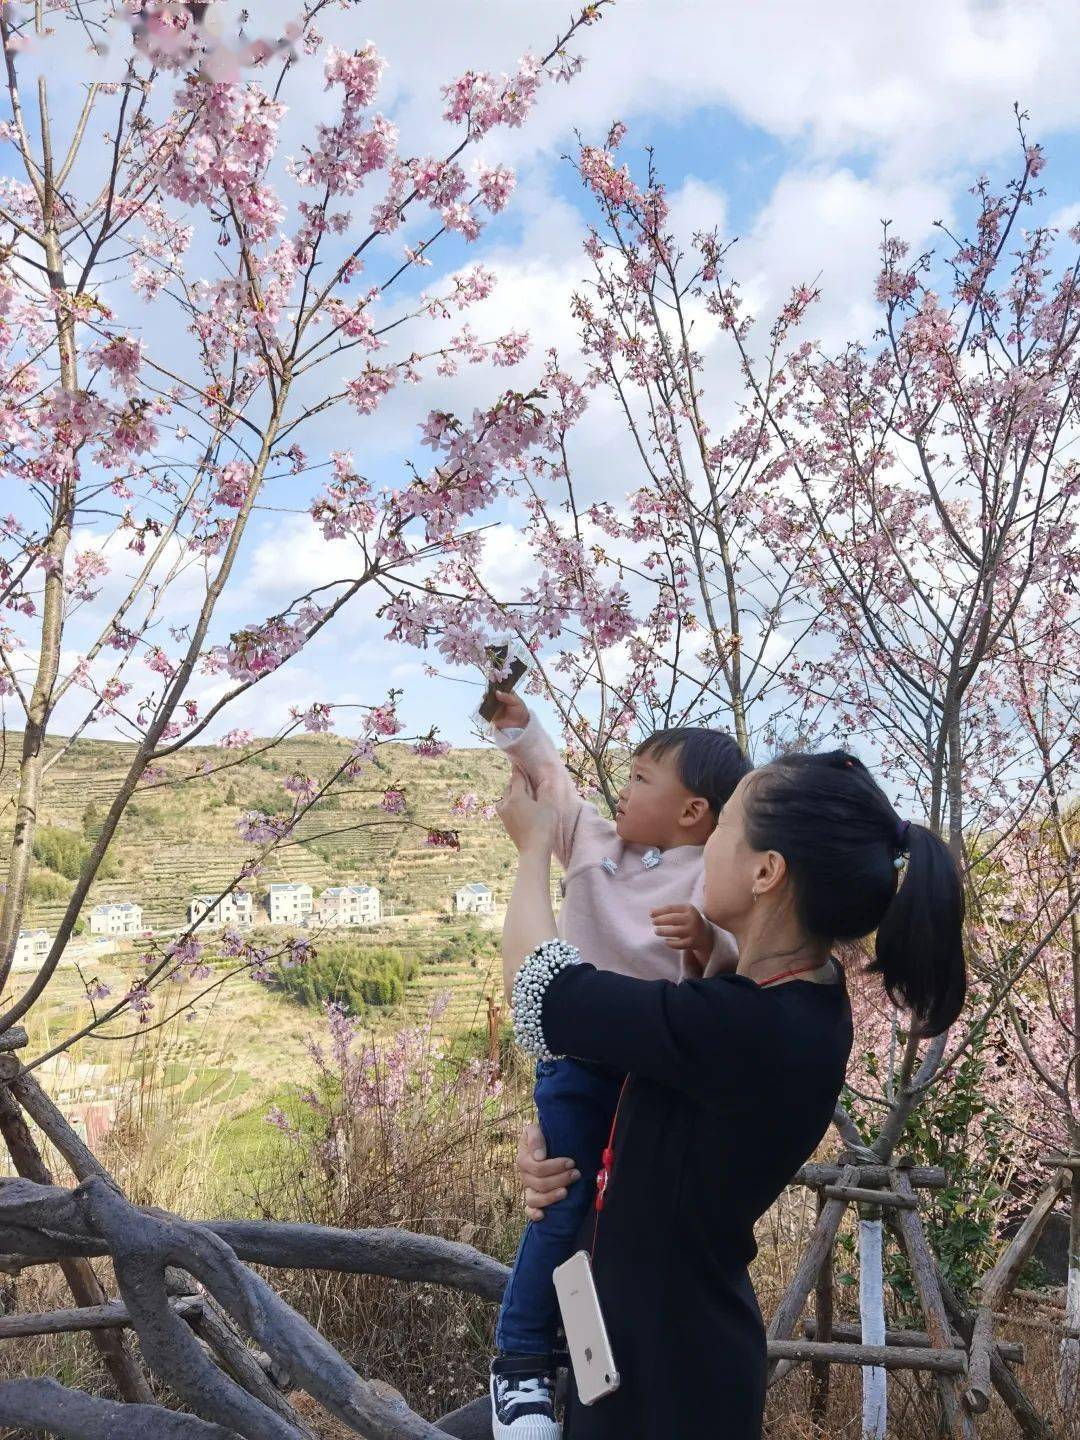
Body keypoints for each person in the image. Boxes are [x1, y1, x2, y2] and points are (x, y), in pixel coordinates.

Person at [497, 749, 967, 1440]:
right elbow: (670, 1117)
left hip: (668, 1385)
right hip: (663, 1355)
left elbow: (541, 991)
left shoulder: (741, 1025)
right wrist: (583, 1164)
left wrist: (535, 844)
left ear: (765, 872)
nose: (704, 848)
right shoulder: (798, 1002)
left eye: (721, 833)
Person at [487, 692, 749, 1439]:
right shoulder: (599, 845)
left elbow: (730, 957)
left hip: (653, 1073)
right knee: (562, 1199)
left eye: (639, 780)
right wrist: (516, 725)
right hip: (577, 1060)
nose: (621, 791)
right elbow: (552, 784)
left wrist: (702, 939)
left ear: (693, 813)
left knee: (618, 1212)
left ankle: (589, 1362)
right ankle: (519, 1362)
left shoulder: (711, 880)